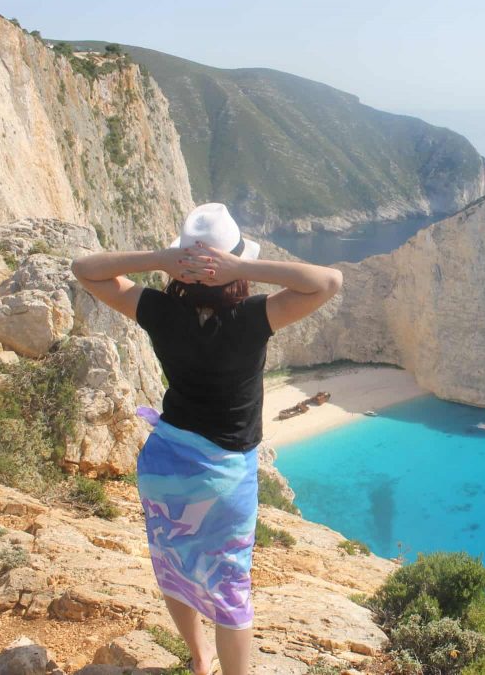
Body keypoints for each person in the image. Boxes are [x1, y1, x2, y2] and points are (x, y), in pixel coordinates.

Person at [71, 203, 342, 675]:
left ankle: (200, 659)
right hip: (224, 477)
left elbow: (85, 270)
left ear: (182, 266)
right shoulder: (252, 317)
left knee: (174, 568)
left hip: (164, 467)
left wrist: (158, 258)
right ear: (230, 267)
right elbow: (328, 282)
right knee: (230, 589)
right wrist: (241, 267)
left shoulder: (157, 310)